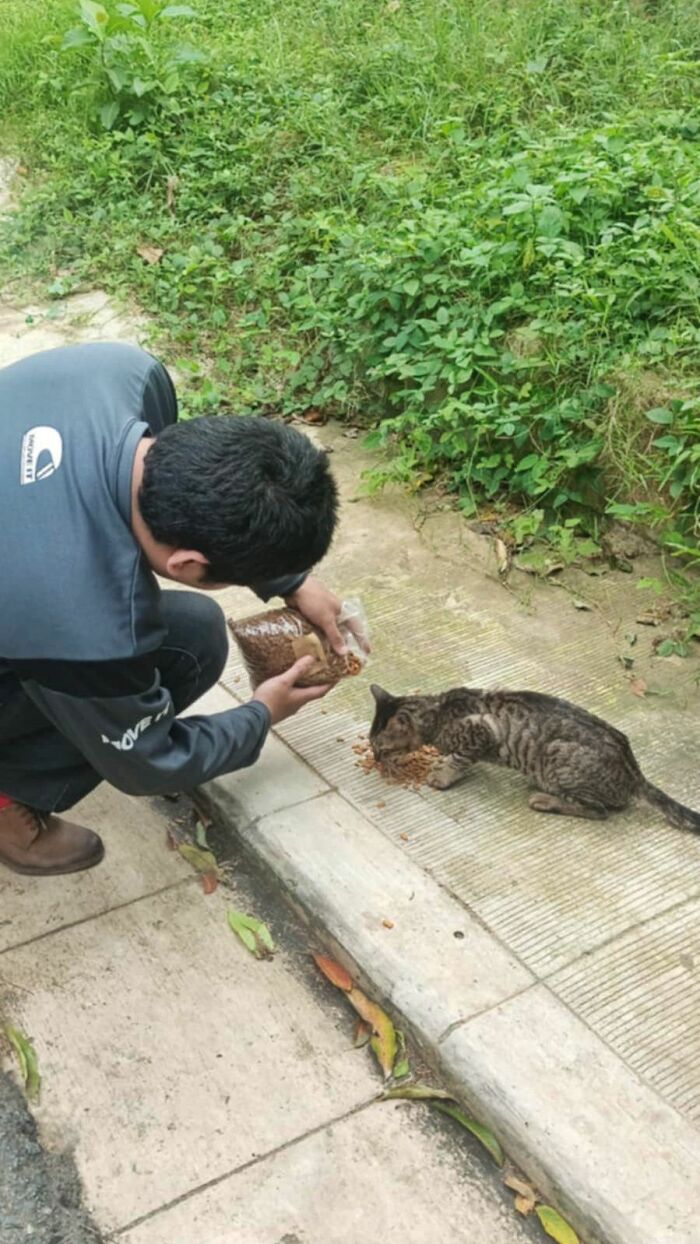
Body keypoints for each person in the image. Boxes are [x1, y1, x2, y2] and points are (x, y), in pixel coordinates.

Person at [0, 341, 345, 877]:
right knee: (175, 650)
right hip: (35, 599)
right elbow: (149, 764)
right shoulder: (81, 621)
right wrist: (260, 715)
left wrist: (291, 579)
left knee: (188, 631)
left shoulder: (124, 373)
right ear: (185, 564)